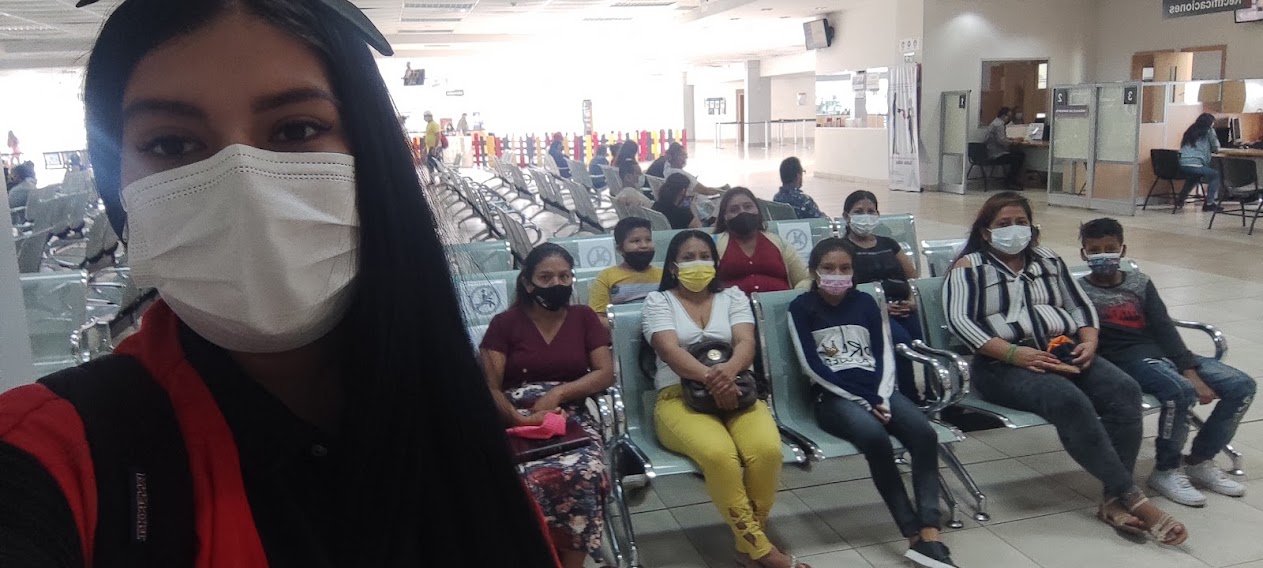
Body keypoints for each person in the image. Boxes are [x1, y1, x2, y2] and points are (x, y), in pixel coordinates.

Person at [0, 1, 561, 566]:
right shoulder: (57, 454)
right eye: (171, 144)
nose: (242, 185)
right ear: (116, 181)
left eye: (297, 129)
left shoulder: (451, 412)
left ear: (372, 153)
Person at [944, 191, 1187, 545]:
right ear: (986, 231)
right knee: (1068, 400)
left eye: (1021, 222)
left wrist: (1089, 341)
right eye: (1004, 224)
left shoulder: (1048, 260)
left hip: (1062, 349)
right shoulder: (969, 267)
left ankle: (1112, 500)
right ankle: (1133, 497)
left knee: (1124, 390)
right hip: (1000, 363)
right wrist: (1014, 354)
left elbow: (1079, 305)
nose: (1014, 229)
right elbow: (960, 322)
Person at [642, 230, 809, 568]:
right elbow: (669, 351)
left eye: (704, 256)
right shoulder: (658, 302)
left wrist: (728, 375)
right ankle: (761, 550)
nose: (697, 263)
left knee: (767, 451)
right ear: (673, 266)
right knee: (721, 456)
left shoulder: (733, 297)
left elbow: (745, 343)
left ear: (715, 263)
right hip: (678, 397)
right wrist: (714, 381)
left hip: (739, 391)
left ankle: (748, 545)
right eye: (688, 258)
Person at [788, 239, 958, 568]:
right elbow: (812, 366)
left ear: (854, 271)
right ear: (814, 271)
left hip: (879, 391)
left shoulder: (866, 302)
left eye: (844, 268)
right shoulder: (802, 307)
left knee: (924, 434)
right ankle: (912, 535)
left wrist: (880, 395)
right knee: (874, 438)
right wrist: (864, 400)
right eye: (828, 268)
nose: (837, 274)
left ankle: (930, 530)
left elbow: (883, 354)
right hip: (834, 397)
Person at [1077, 218, 1254, 507]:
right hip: (1125, 359)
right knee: (1180, 391)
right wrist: (1188, 380)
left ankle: (1200, 460)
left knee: (1241, 386)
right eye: (1095, 251)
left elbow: (1164, 328)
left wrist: (1189, 369)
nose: (1103, 256)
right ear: (1084, 254)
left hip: (1163, 353)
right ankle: (1166, 469)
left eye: (1110, 248)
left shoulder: (1140, 283)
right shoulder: (1078, 291)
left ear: (1123, 250)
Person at [479, 243, 614, 568]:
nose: (557, 284)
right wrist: (520, 418)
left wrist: (559, 394)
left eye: (565, 276)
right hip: (514, 416)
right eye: (546, 277)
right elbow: (489, 386)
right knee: (522, 477)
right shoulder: (505, 324)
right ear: (528, 283)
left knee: (586, 471)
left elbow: (605, 372)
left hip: (571, 416)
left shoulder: (583, 318)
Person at [839, 190, 924, 401]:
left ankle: (935, 390)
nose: (865, 216)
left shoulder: (889, 244)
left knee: (926, 335)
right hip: (871, 311)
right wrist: (880, 309)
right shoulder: (841, 249)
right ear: (846, 216)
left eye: (871, 211)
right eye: (859, 212)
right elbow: (844, 289)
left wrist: (912, 302)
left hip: (903, 307)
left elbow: (912, 278)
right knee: (901, 341)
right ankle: (909, 396)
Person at [713, 187, 809, 295]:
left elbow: (804, 278)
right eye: (734, 210)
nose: (742, 212)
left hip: (782, 305)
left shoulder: (778, 242)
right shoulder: (714, 245)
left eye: (748, 206)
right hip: (732, 305)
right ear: (725, 216)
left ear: (758, 210)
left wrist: (796, 296)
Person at [589, 217, 662, 324]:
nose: (644, 245)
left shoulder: (663, 275)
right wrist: (625, 326)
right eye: (636, 241)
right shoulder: (606, 277)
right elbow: (597, 317)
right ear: (620, 249)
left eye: (648, 240)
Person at [1177, 112, 1222, 212]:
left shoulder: (1190, 130)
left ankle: (1180, 199)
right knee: (1215, 175)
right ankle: (1209, 203)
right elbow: (1216, 147)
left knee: (1194, 177)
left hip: (1182, 163)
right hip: (1195, 164)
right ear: (1210, 123)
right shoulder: (1209, 131)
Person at [984, 107, 1025, 190]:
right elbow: (1001, 140)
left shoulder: (995, 122)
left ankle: (1011, 180)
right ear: (1003, 116)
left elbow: (1001, 138)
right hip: (997, 154)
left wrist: (1012, 139)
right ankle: (1010, 181)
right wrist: (1013, 142)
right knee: (1019, 157)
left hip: (992, 152)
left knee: (1017, 155)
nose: (1009, 119)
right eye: (1008, 117)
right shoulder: (999, 125)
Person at [423, 110, 442, 175]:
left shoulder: (434, 124)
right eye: (424, 116)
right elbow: (429, 136)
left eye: (426, 116)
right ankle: (434, 178)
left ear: (430, 116)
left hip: (434, 147)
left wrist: (435, 147)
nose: (425, 118)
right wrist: (426, 147)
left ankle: (438, 178)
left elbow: (438, 136)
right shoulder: (429, 125)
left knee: (434, 164)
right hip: (430, 147)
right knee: (433, 164)